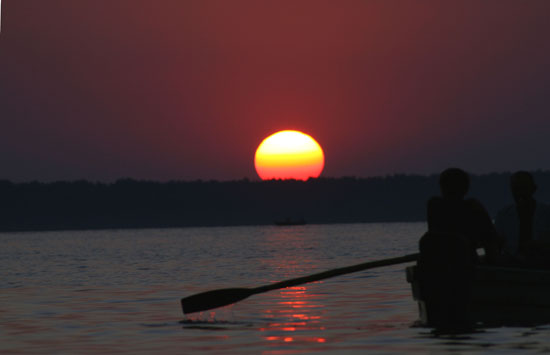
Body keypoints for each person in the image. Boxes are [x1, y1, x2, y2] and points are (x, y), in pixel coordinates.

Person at [417, 168, 498, 329]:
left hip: (436, 267)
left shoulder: (434, 205)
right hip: (463, 265)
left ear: (441, 187)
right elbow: (490, 242)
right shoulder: (473, 207)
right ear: (466, 188)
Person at [495, 171, 550, 267]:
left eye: (523, 188)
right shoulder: (503, 215)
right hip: (512, 265)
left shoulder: (547, 214)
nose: (520, 193)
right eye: (516, 189)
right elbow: (497, 242)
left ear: (533, 189)